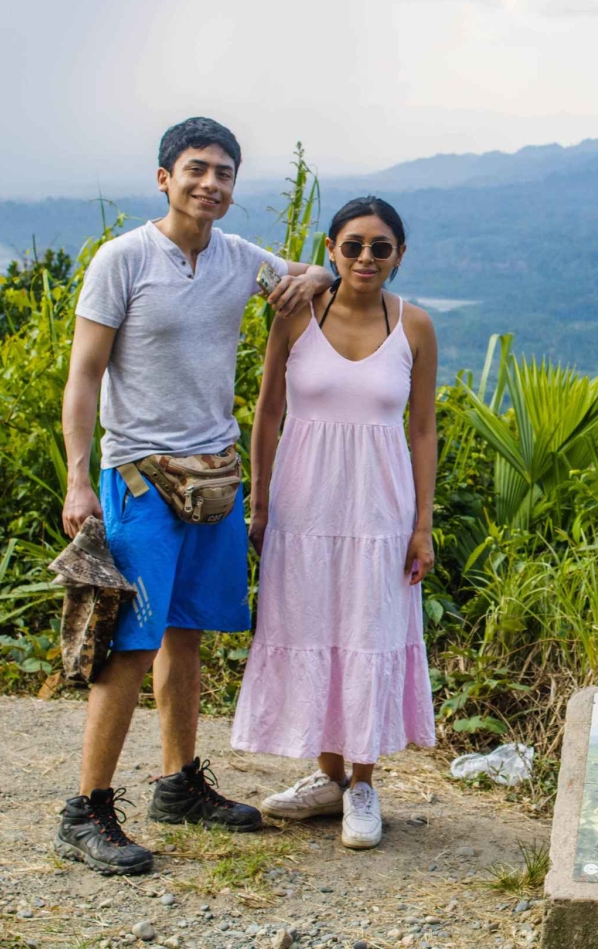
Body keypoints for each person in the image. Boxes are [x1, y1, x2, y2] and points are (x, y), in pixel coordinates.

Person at [56, 117, 336, 875]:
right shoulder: (123, 259)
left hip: (214, 478)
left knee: (186, 633)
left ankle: (179, 783)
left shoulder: (239, 258)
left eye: (224, 173)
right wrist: (78, 477)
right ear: (165, 178)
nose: (211, 183)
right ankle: (86, 810)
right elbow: (84, 375)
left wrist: (321, 276)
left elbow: (315, 273)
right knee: (130, 642)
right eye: (196, 169)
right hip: (140, 477)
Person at [230, 196, 438, 849]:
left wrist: (422, 524)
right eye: (353, 245)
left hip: (380, 510)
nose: (366, 257)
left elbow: (423, 430)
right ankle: (327, 776)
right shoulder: (297, 315)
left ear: (399, 254)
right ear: (331, 249)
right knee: (312, 623)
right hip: (304, 505)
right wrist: (260, 503)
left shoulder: (414, 326)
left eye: (380, 247)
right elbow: (267, 412)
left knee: (368, 631)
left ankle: (363, 783)